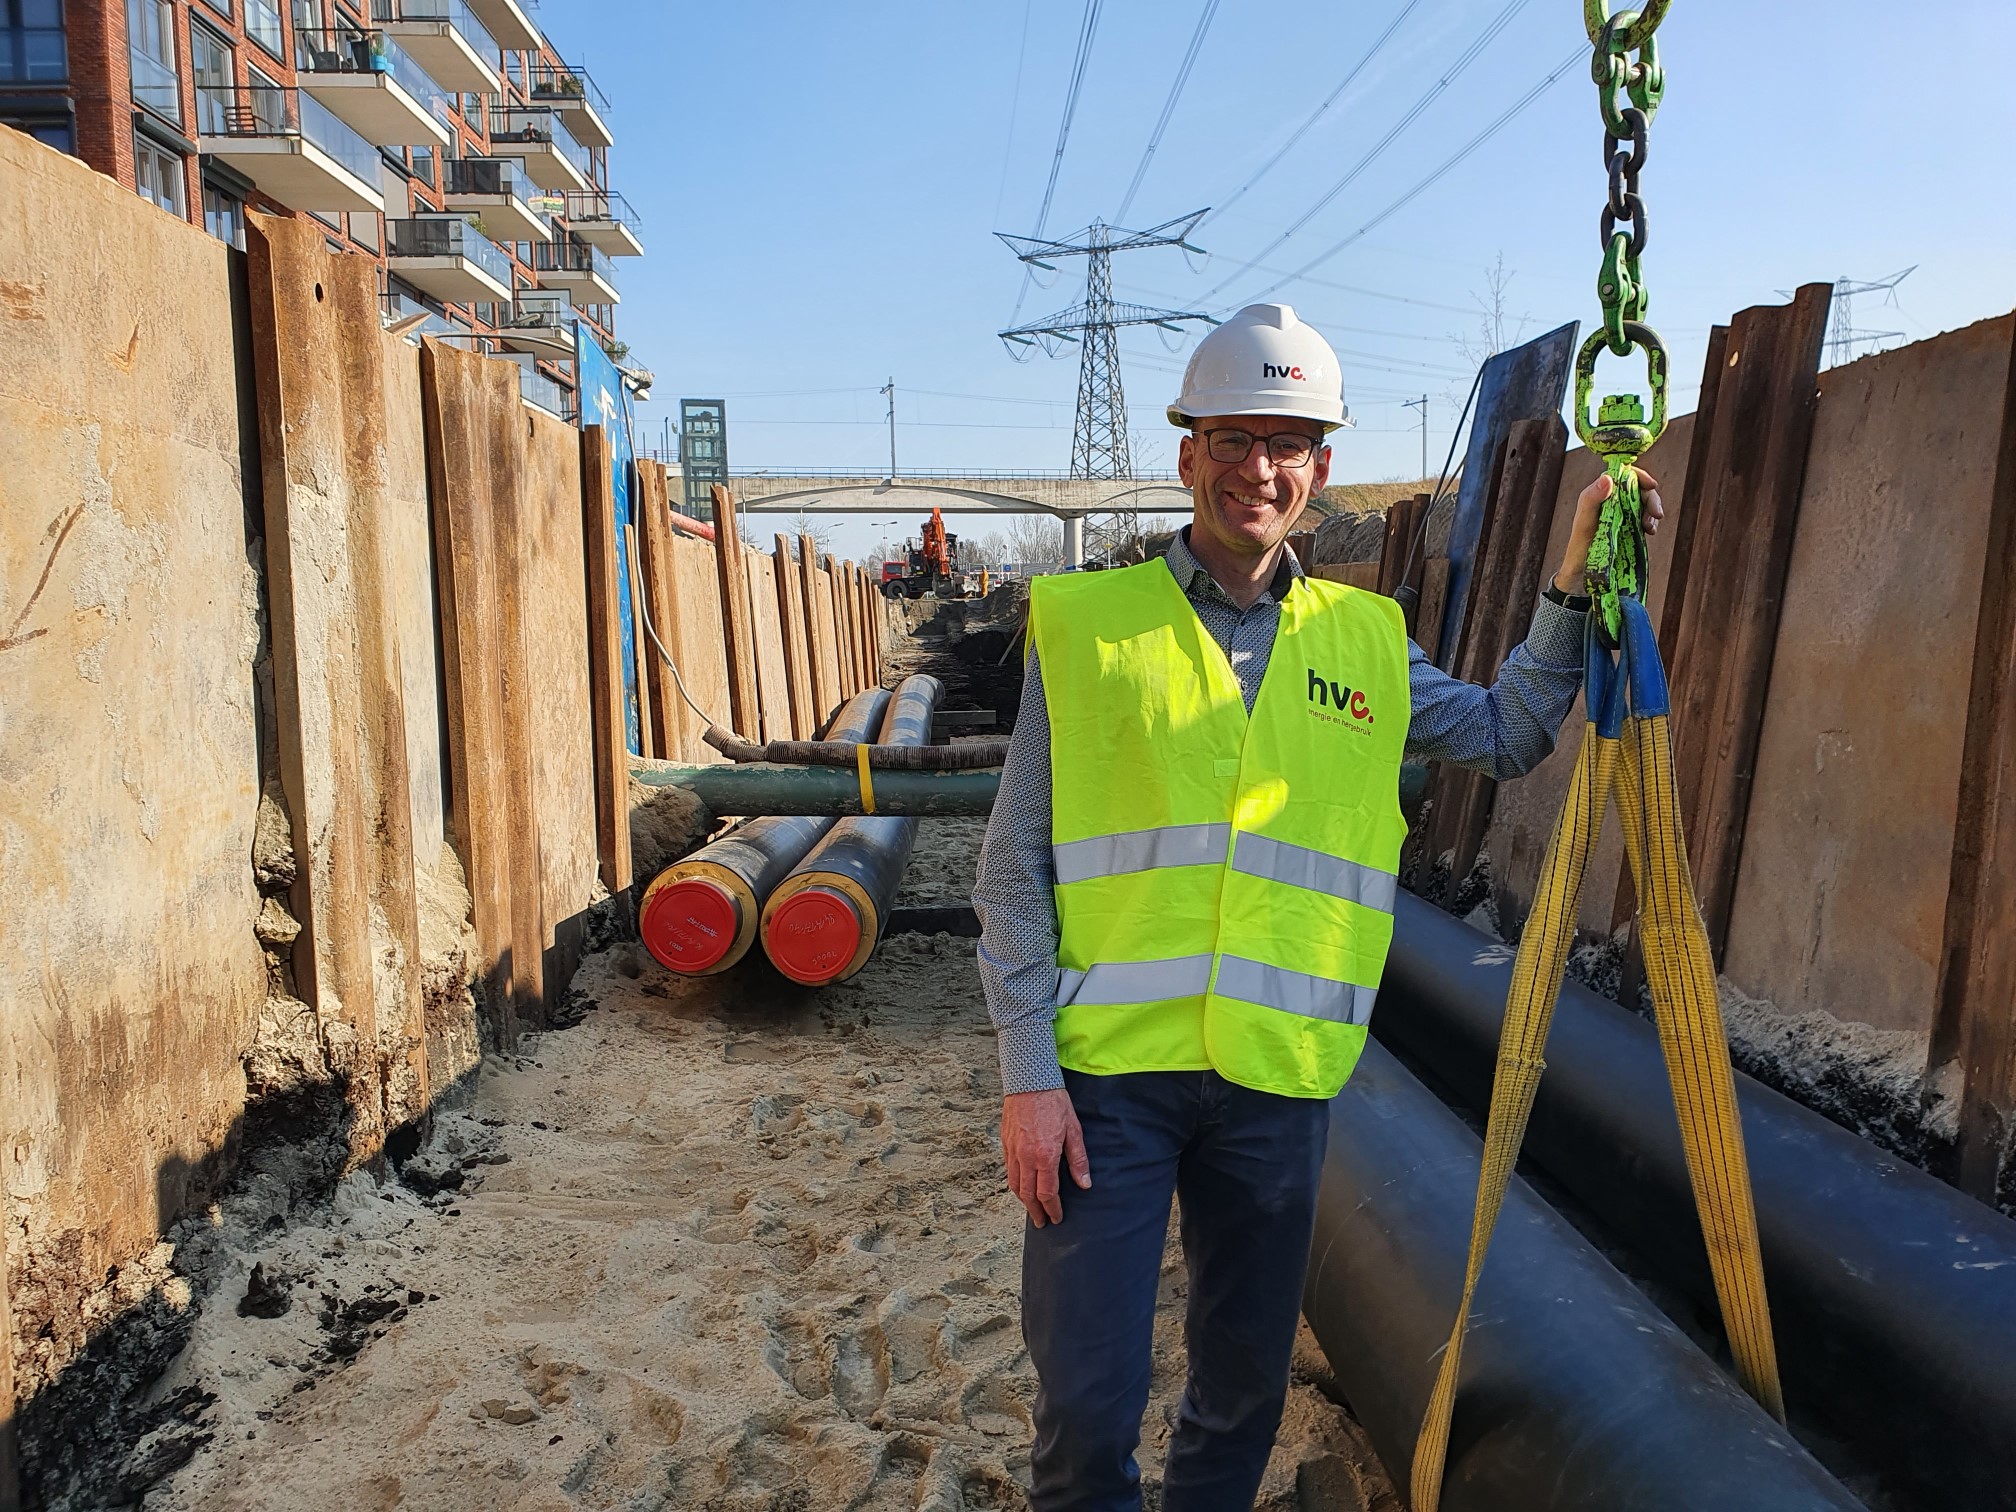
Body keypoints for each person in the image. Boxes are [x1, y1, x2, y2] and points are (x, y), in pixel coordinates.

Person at [972, 303, 1661, 1512]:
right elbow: (1010, 868)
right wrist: (1028, 1075)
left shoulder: (1368, 642)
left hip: (1278, 1078)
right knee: (1085, 1407)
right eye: (1235, 439)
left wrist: (1568, 578)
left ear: (1320, 470)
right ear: (1188, 453)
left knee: (1239, 1396)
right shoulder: (1086, 630)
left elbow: (1507, 734)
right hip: (1102, 1087)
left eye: (1289, 444)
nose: (1261, 469)